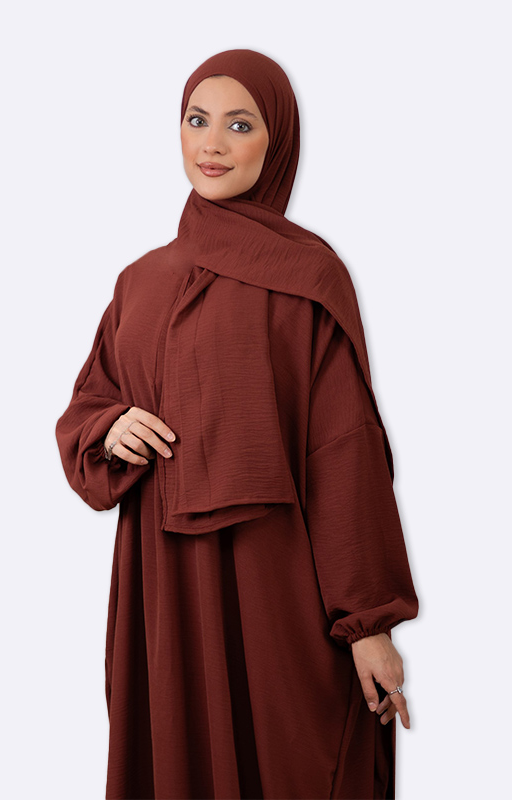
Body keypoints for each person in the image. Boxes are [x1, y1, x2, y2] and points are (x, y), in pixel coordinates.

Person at [55, 48, 420, 800]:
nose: (212, 144)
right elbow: (88, 404)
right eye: (197, 120)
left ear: (276, 142)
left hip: (274, 585)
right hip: (163, 585)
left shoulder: (309, 278)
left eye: (240, 124)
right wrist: (109, 427)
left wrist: (369, 623)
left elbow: (344, 455)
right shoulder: (139, 282)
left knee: (293, 763)